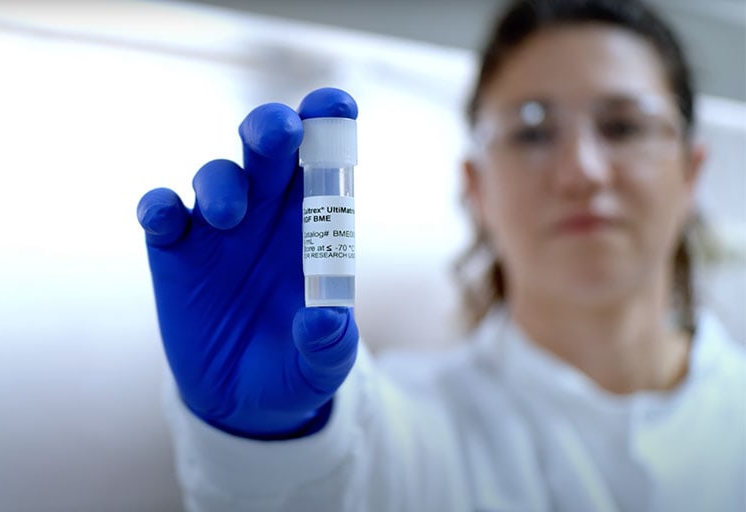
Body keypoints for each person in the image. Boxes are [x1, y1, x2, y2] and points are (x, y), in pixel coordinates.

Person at [135, 0, 745, 510]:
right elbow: (327, 486)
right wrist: (271, 442)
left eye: (623, 126)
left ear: (691, 173)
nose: (582, 171)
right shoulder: (406, 427)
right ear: (476, 187)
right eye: (532, 130)